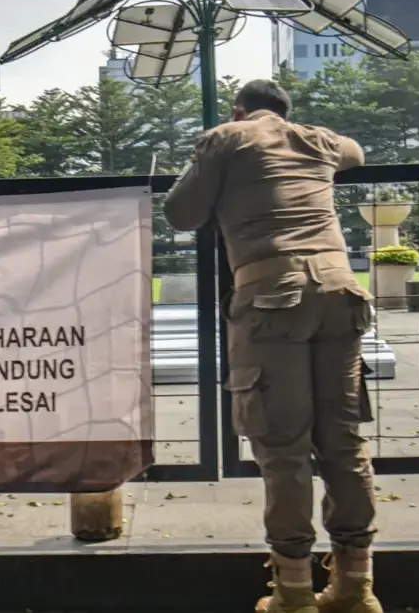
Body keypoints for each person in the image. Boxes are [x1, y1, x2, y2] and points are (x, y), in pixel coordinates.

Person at [163, 79, 381, 613]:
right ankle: (356, 588)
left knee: (284, 448)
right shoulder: (317, 139)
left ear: (240, 110)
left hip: (272, 298)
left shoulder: (227, 137)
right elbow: (356, 152)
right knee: (344, 442)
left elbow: (180, 212)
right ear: (285, 111)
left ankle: (293, 591)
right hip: (342, 292)